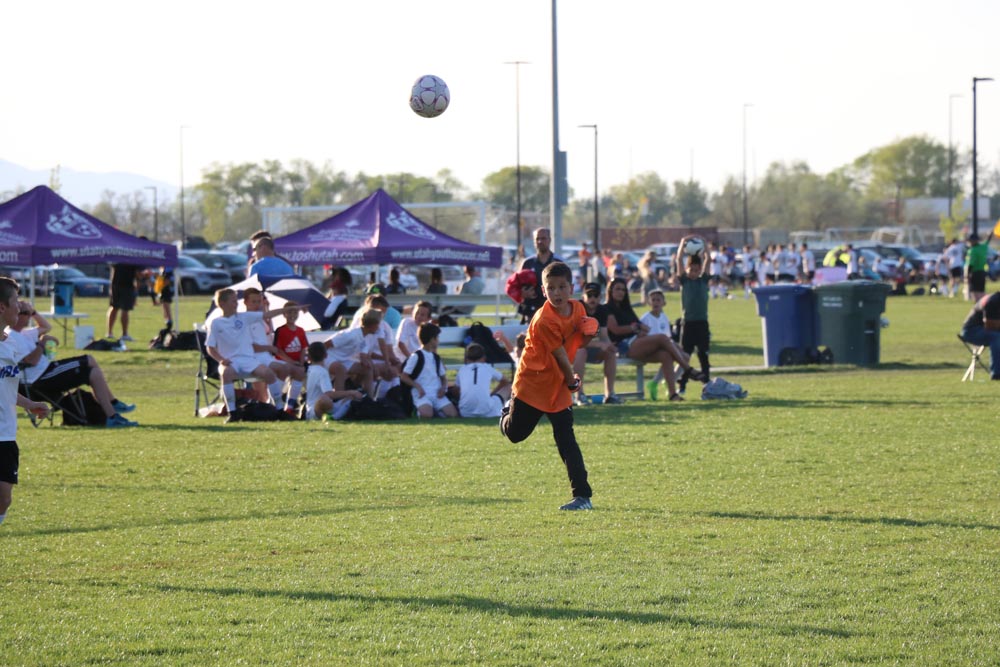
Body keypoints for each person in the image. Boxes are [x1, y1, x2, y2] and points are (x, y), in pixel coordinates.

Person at [500, 262, 598, 511]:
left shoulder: (577, 308)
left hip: (557, 385)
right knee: (515, 435)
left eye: (562, 287)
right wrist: (572, 381)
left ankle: (583, 497)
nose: (557, 292)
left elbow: (579, 342)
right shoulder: (544, 319)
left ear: (571, 288)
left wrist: (590, 332)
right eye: (551, 288)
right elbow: (561, 357)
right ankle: (506, 410)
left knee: (566, 440)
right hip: (533, 384)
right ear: (544, 291)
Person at [9, 303, 138, 427]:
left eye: (31, 313)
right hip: (40, 379)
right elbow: (31, 361)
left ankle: (112, 414)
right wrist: (43, 343)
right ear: (18, 315)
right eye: (26, 313)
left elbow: (46, 326)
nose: (29, 316)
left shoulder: (25, 333)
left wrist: (34, 312)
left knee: (92, 371)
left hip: (47, 371)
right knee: (88, 359)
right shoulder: (12, 336)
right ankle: (112, 407)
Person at [0, 278, 51, 526]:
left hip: (6, 434)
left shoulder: (10, 345)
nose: (19, 311)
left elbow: (6, 388)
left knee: (4, 498)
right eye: (15, 304)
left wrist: (29, 405)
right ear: (1, 307)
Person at [605, 278, 700, 402]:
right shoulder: (607, 308)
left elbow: (642, 327)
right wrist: (634, 328)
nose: (621, 292)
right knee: (662, 338)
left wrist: (637, 329)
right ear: (610, 290)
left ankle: (672, 394)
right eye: (617, 289)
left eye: (623, 290)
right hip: (624, 346)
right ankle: (687, 368)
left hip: (637, 342)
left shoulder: (626, 308)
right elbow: (615, 329)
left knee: (666, 355)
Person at [206, 288, 292, 415]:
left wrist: (287, 310)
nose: (236, 304)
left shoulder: (244, 317)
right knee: (226, 373)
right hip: (230, 362)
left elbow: (267, 314)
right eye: (233, 301)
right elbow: (210, 347)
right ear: (222, 304)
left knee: (269, 373)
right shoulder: (216, 323)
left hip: (248, 360)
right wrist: (221, 360)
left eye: (236, 301)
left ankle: (279, 410)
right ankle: (232, 413)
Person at [243, 289, 305, 414]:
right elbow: (249, 346)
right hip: (254, 357)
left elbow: (268, 335)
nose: (257, 304)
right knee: (281, 369)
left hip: (267, 356)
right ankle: (276, 406)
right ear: (245, 302)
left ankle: (288, 407)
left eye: (258, 301)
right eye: (253, 301)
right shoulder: (245, 320)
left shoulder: (260, 318)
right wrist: (269, 348)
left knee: (298, 371)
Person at [674, 236, 712, 395]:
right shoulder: (685, 281)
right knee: (685, 357)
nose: (694, 272)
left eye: (697, 270)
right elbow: (678, 259)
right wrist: (682, 243)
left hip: (702, 323)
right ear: (687, 270)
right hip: (688, 324)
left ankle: (708, 386)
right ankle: (682, 385)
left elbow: (708, 259)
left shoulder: (703, 281)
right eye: (691, 269)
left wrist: (705, 243)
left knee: (703, 355)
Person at [572, 282, 621, 405]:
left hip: (589, 348)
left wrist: (609, 346)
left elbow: (604, 336)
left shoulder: (602, 310)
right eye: (589, 295)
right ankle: (579, 395)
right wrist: (599, 344)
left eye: (596, 295)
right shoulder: (577, 309)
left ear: (600, 297)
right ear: (583, 296)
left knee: (610, 352)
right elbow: (575, 341)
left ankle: (610, 394)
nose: (592, 298)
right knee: (580, 352)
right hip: (572, 350)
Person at [399, 322, 458, 419]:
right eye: (437, 337)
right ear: (432, 339)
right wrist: (417, 386)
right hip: (422, 393)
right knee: (427, 415)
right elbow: (404, 376)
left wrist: (443, 388)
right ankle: (416, 411)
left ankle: (437, 411)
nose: (438, 340)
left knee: (453, 415)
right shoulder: (416, 356)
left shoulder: (436, 357)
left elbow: (443, 378)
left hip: (436, 393)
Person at [303, 342, 364, 421]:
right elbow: (329, 394)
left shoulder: (310, 370)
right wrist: (351, 392)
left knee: (350, 398)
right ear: (326, 355)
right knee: (325, 399)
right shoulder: (322, 372)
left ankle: (334, 416)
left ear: (309, 358)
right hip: (315, 410)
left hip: (313, 409)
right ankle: (334, 417)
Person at [455, 343, 511, 418]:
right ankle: (507, 409)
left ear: (467, 358)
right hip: (487, 411)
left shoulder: (462, 369)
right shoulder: (487, 367)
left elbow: (456, 389)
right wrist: (492, 393)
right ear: (484, 357)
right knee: (509, 386)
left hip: (465, 412)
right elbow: (505, 381)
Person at [520, 227, 562, 315]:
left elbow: (565, 286)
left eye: (543, 238)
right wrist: (523, 292)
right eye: (537, 239)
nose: (540, 241)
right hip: (531, 311)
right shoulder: (527, 263)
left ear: (549, 240)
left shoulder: (558, 262)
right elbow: (518, 286)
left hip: (553, 309)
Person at [960, 291, 1000, 380]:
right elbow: (989, 325)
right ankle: (996, 373)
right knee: (996, 337)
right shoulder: (993, 301)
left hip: (986, 330)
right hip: (971, 331)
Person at [107, 262, 141, 341]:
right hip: (124, 286)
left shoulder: (120, 257)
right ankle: (121, 333)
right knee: (121, 309)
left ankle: (112, 333)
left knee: (118, 308)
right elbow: (137, 274)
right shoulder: (130, 258)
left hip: (120, 285)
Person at [965, 233, 990, 303]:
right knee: (982, 291)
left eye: (970, 241)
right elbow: (987, 241)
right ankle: (986, 305)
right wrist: (990, 234)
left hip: (975, 273)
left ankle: (979, 308)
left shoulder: (972, 250)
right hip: (982, 272)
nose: (970, 242)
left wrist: (967, 275)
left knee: (975, 292)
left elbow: (970, 264)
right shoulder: (983, 247)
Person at [153, 266, 175, 331]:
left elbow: (167, 280)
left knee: (166, 306)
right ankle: (167, 322)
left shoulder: (168, 269)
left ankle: (169, 322)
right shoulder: (161, 268)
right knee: (164, 306)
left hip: (166, 289)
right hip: (163, 290)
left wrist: (161, 286)